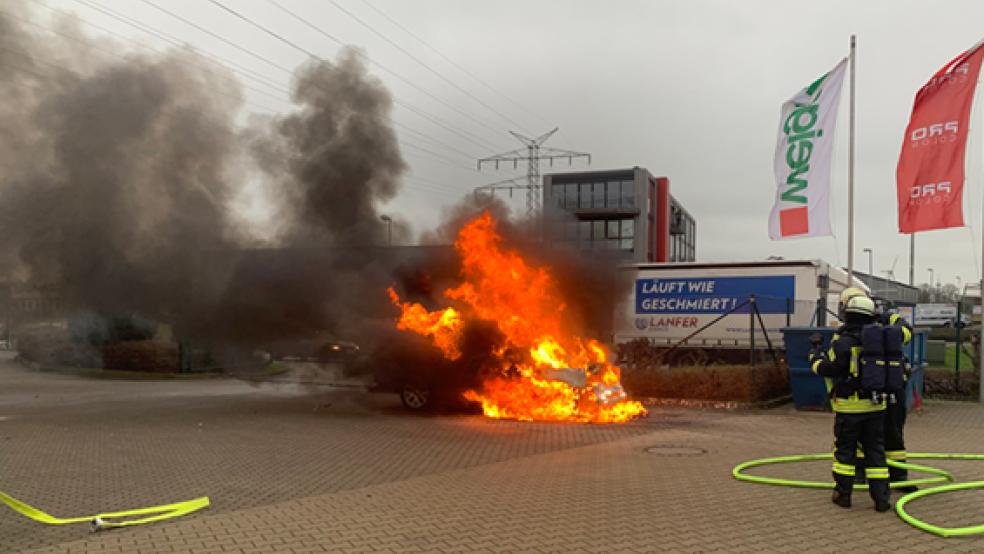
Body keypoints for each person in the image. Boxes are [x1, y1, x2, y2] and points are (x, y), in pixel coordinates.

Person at [810, 295, 892, 511]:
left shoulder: (843, 342)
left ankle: (843, 495)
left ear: (848, 315)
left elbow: (830, 369)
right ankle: (881, 499)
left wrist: (815, 358)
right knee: (876, 452)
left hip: (850, 409)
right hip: (877, 406)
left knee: (845, 452)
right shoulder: (881, 340)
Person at [838, 288, 915, 492]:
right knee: (893, 433)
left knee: (863, 435)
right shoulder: (887, 325)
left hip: (866, 393)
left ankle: (860, 474)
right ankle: (898, 476)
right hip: (894, 389)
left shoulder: (849, 333)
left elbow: (837, 364)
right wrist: (892, 320)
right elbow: (906, 333)